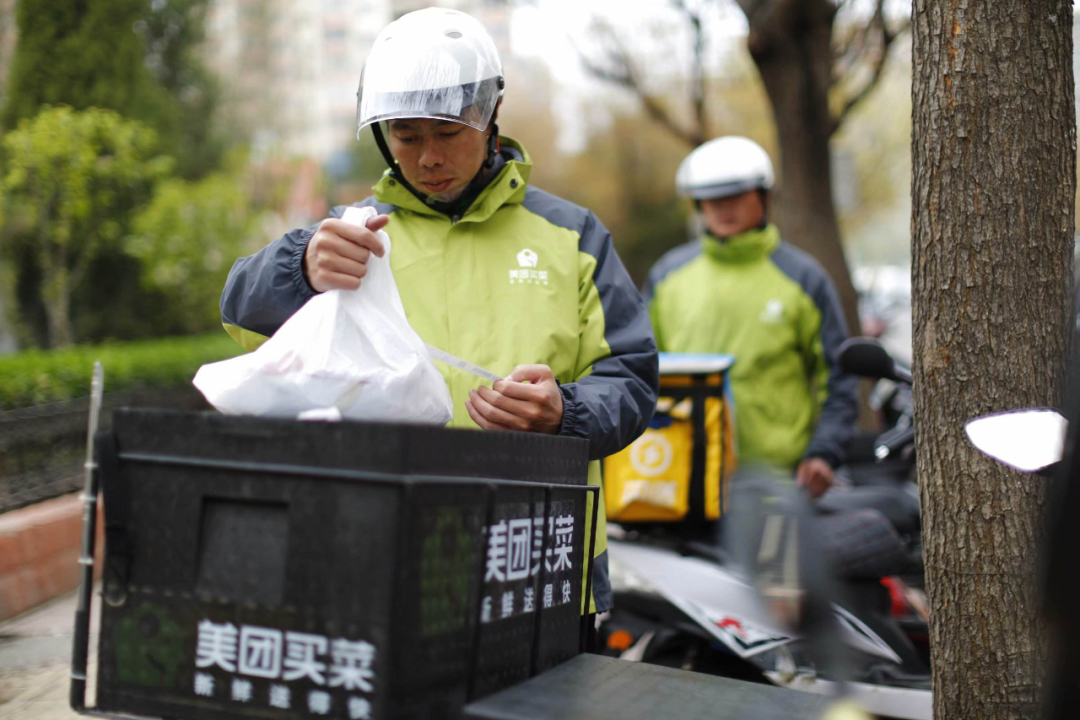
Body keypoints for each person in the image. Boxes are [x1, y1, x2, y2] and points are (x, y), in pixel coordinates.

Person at [218, 9, 658, 625]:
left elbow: (633, 379)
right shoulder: (352, 234)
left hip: (539, 560)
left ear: (490, 116)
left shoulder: (572, 236)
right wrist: (300, 268)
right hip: (386, 551)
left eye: (447, 132)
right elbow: (241, 316)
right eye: (406, 135)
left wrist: (567, 413)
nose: (428, 157)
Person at [644, 136, 858, 498]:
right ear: (698, 204)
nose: (724, 209)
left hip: (782, 484)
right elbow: (640, 371)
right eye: (713, 200)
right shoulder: (668, 276)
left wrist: (824, 452)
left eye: (736, 197)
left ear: (764, 197)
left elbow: (839, 376)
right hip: (680, 480)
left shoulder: (803, 277)